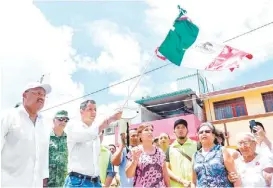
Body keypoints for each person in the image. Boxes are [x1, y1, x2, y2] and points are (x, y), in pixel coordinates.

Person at [1, 82, 52, 187]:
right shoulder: (8, 117)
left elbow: (43, 155)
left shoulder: (44, 123)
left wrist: (44, 180)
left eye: (43, 95)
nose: (41, 97)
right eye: (37, 93)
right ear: (25, 95)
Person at [64, 99, 122, 187]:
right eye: (90, 109)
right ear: (81, 111)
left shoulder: (95, 130)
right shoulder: (73, 126)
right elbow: (86, 135)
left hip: (95, 182)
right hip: (78, 182)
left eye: (95, 109)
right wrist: (110, 119)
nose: (93, 112)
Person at [192, 122, 241, 187]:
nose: (204, 133)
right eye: (201, 132)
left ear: (214, 135)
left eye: (207, 131)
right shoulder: (195, 155)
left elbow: (235, 177)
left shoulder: (222, 151)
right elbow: (193, 182)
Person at [166, 119, 197, 187]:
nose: (180, 129)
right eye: (178, 127)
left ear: (187, 130)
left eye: (183, 127)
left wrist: (193, 182)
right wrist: (181, 181)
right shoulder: (170, 148)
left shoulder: (196, 145)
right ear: (174, 131)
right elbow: (167, 169)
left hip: (194, 185)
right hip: (176, 185)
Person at [44, 110, 69, 187]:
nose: (63, 122)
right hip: (48, 182)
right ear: (53, 120)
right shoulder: (45, 137)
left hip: (63, 182)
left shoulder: (69, 139)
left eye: (66, 120)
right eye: (60, 119)